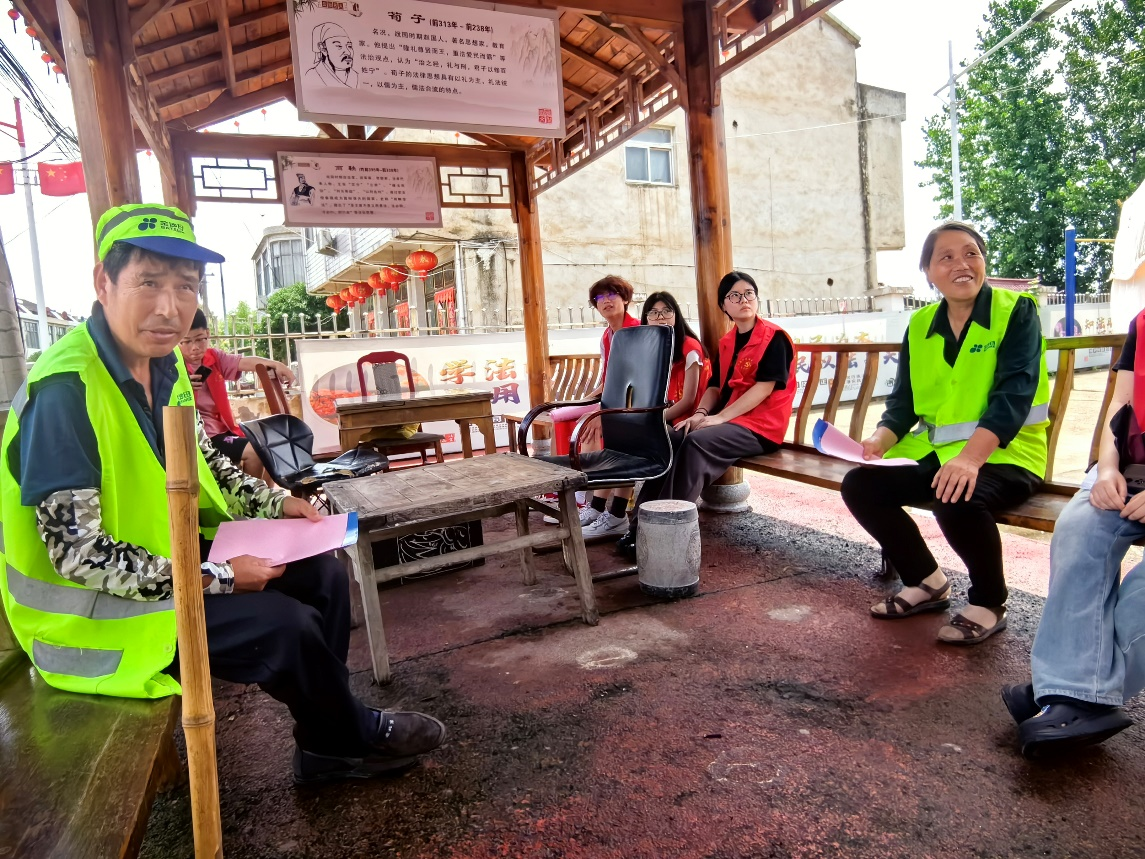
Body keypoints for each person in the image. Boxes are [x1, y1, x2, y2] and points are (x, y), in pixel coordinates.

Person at [0, 204, 444, 785]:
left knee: (324, 573)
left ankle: (326, 740)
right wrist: (222, 577)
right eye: (148, 282)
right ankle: (349, 733)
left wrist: (278, 504)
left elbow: (206, 462)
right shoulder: (65, 390)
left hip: (166, 563)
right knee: (283, 625)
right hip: (97, 618)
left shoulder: (165, 367)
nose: (169, 307)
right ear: (103, 282)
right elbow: (79, 556)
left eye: (186, 286)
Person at [841, 221, 1048, 645]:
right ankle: (926, 581)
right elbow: (903, 402)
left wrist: (970, 459)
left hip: (1008, 454)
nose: (962, 264)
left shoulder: (1015, 310)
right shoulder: (920, 324)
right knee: (861, 485)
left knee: (956, 495)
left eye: (971, 253)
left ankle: (989, 601)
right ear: (929, 272)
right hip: (938, 453)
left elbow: (1014, 393)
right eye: (946, 257)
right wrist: (879, 441)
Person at [1002, 310, 1145, 756]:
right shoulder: (1143, 323)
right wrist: (1107, 469)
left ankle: (1071, 691)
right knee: (1079, 532)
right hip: (1131, 472)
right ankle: (1073, 689)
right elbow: (1121, 405)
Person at [618, 271, 796, 557]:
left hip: (760, 427)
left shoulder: (774, 338)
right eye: (734, 296)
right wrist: (700, 413)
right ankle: (639, 525)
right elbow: (715, 386)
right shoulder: (728, 341)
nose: (743, 300)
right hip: (730, 422)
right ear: (724, 305)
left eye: (749, 293)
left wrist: (720, 418)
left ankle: (664, 530)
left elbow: (764, 388)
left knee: (696, 442)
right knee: (672, 437)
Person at [179, 309, 295, 481]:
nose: (194, 347)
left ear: (208, 334)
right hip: (200, 436)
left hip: (224, 430)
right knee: (254, 452)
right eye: (186, 341)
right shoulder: (171, 365)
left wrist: (276, 364)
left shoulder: (214, 358)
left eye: (199, 339)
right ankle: (251, 497)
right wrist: (182, 385)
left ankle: (263, 495)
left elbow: (244, 362)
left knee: (272, 444)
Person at [640, 291, 711, 424]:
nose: (661, 317)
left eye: (666, 311)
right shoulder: (647, 350)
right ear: (646, 319)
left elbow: (688, 401)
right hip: (657, 413)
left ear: (676, 315)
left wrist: (653, 420)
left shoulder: (690, 348)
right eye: (653, 312)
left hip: (684, 418)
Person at [305, 23, 358, 88]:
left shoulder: (355, 76)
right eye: (339, 46)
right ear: (323, 49)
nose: (348, 52)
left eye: (349, 46)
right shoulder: (312, 76)